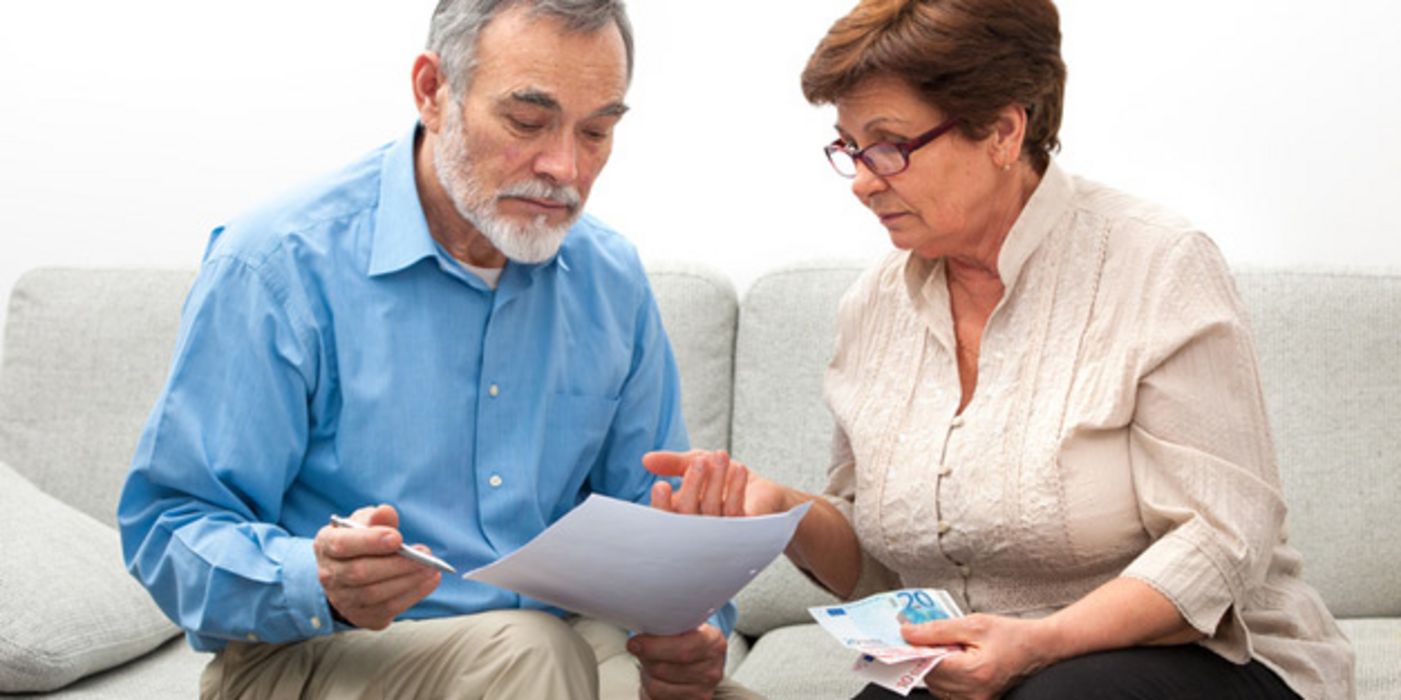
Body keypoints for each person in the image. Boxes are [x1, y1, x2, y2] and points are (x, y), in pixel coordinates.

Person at [643, 1, 1354, 699]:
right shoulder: (872, 307)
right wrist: (784, 511)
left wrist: (1038, 644)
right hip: (979, 664)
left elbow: (1221, 543)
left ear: (1003, 131)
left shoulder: (1157, 265)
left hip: (1203, 657)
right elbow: (879, 568)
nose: (861, 180)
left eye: (887, 146)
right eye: (849, 148)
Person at [117, 1, 753, 698]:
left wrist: (693, 632)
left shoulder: (611, 278)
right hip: (324, 651)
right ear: (432, 91)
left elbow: (647, 519)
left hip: (555, 648)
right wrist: (319, 580)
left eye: (596, 130)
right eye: (527, 121)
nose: (564, 167)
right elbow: (167, 528)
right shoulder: (275, 266)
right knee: (533, 653)